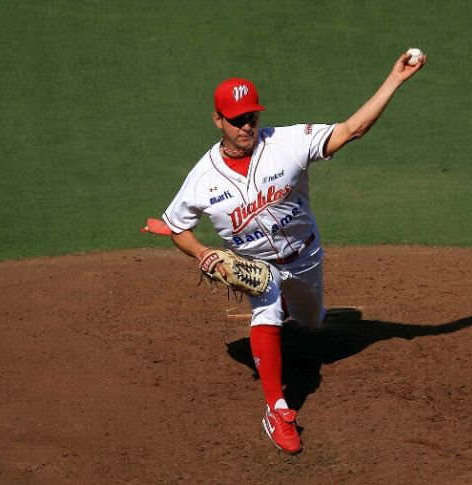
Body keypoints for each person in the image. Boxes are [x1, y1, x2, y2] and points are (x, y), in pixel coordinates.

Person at [161, 50, 427, 454]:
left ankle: (291, 302)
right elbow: (176, 227)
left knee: (312, 321)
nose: (247, 126)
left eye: (252, 116)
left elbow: (352, 129)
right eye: (236, 120)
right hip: (258, 265)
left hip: (305, 256)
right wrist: (201, 252)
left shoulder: (287, 142)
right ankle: (277, 409)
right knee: (265, 302)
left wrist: (395, 79)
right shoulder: (201, 178)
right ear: (218, 121)